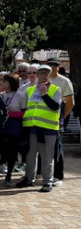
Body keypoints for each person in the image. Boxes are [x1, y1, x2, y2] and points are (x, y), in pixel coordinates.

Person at [16, 64, 62, 193]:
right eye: (40, 73)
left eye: (45, 73)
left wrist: (45, 95)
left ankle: (47, 182)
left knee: (47, 157)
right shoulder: (30, 90)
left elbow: (55, 107)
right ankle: (29, 179)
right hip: (31, 128)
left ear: (49, 75)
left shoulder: (55, 89)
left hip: (48, 128)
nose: (42, 75)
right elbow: (24, 107)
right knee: (30, 156)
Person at [46, 58, 74, 187]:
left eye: (54, 65)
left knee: (58, 147)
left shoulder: (64, 81)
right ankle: (43, 173)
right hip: (43, 118)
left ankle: (58, 175)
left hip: (57, 119)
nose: (52, 67)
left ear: (58, 67)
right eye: (49, 65)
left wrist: (62, 117)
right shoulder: (42, 79)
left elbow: (70, 102)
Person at [0, 74, 23, 186]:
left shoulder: (20, 95)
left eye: (5, 81)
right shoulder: (1, 95)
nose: (2, 83)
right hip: (2, 127)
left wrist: (10, 113)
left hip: (14, 127)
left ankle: (9, 176)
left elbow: (24, 112)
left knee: (11, 153)